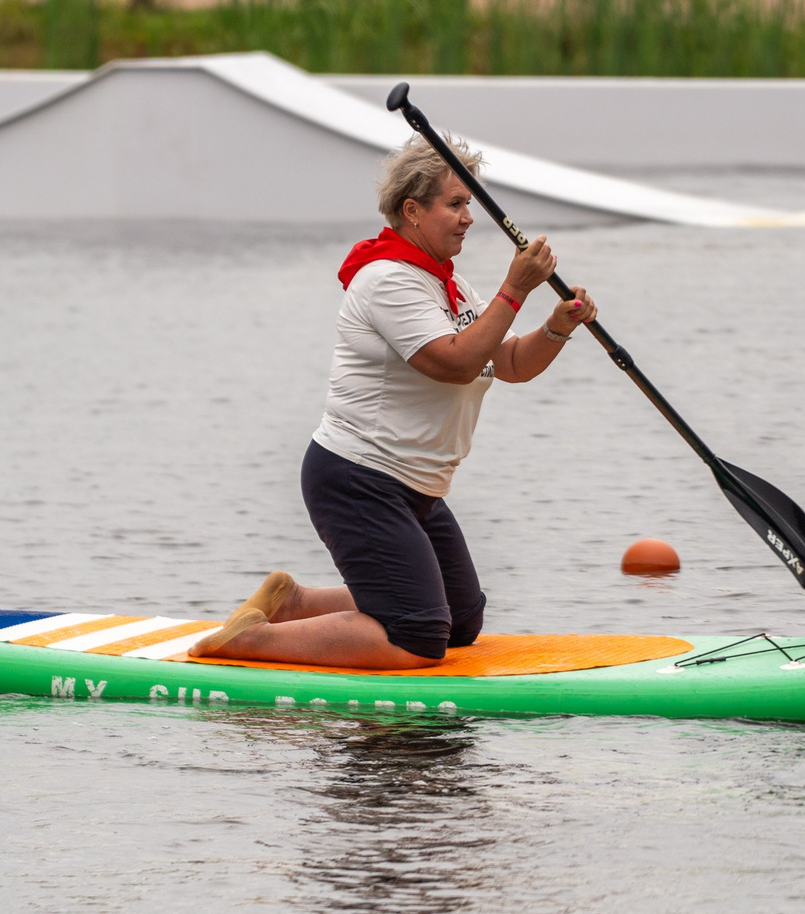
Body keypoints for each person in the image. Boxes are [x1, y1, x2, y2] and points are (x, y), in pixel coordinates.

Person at [193, 136, 598, 668]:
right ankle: (248, 643)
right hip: (358, 478)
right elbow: (453, 362)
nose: (468, 218)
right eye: (455, 204)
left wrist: (556, 327)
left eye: (469, 204)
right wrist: (515, 289)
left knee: (460, 619)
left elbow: (511, 363)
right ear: (412, 210)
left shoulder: (449, 286)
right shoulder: (387, 280)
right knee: (418, 635)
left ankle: (295, 604)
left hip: (414, 484)